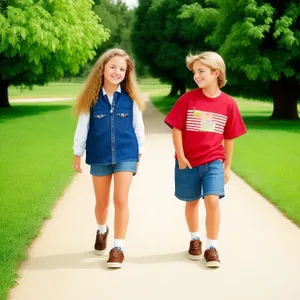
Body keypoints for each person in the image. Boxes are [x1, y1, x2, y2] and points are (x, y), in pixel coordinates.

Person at [164, 51, 246, 267]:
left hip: (214, 161)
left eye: (201, 71)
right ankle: (194, 239)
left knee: (212, 201)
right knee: (191, 202)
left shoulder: (229, 104)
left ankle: (211, 247)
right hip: (188, 162)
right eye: (194, 72)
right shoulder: (187, 99)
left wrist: (227, 167)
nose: (196, 76)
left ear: (215, 73)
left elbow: (229, 138)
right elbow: (176, 128)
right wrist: (181, 157)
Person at [73, 48, 145, 268]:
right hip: (99, 155)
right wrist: (77, 153)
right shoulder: (91, 100)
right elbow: (82, 127)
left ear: (127, 73)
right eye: (113, 67)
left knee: (121, 199)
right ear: (102, 68)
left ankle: (118, 248)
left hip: (126, 154)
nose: (117, 72)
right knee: (102, 204)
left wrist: (139, 153)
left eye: (122, 69)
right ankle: (102, 230)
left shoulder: (131, 99)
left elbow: (138, 127)